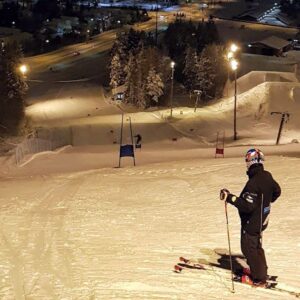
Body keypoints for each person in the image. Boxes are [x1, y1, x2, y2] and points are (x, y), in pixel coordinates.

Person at [220, 148, 281, 287]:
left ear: (250, 162)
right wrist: (266, 202)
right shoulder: (267, 175)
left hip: (252, 222)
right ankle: (260, 270)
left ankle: (258, 277)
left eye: (246, 161)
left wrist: (230, 198)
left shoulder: (253, 183)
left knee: (248, 248)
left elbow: (247, 206)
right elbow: (277, 191)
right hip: (262, 220)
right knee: (257, 246)